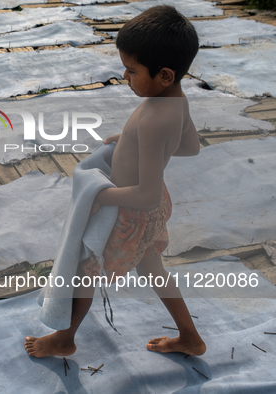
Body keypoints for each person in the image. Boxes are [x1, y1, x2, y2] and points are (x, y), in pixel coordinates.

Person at [25, 5, 206, 358]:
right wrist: (129, 144)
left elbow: (145, 194)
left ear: (165, 75)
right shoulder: (176, 100)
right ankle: (189, 337)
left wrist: (101, 197)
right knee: (152, 266)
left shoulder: (153, 118)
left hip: (130, 212)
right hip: (151, 212)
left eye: (131, 70)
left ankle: (64, 339)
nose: (124, 76)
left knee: (82, 273)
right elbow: (190, 147)